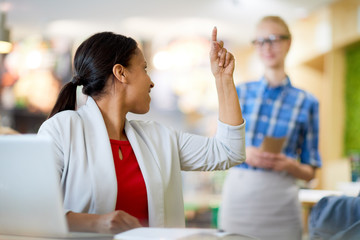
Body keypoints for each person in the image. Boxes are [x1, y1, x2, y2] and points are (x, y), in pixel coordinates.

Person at [37, 28, 246, 234]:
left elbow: (229, 150)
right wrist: (98, 223)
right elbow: (32, 209)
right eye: (144, 69)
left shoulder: (158, 137)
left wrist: (223, 79)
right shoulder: (62, 129)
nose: (151, 81)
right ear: (121, 73)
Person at [218, 16, 322, 240]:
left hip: (281, 204)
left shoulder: (307, 102)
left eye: (274, 39)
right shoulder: (240, 92)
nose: (267, 47)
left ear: (288, 43)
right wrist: (243, 153)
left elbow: (310, 171)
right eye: (260, 41)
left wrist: (289, 165)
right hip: (238, 201)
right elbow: (220, 147)